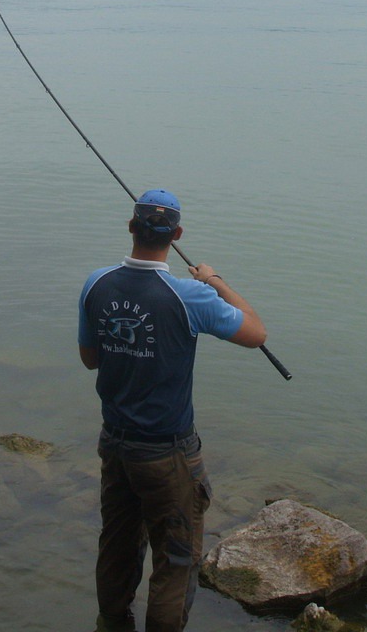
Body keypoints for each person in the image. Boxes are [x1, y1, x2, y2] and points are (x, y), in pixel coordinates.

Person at [77, 188, 268, 632]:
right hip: (168, 453)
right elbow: (257, 333)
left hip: (116, 444)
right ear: (177, 234)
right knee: (176, 560)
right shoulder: (189, 297)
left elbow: (90, 359)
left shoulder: (96, 284)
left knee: (117, 546)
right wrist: (216, 283)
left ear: (131, 228)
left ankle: (110, 623)